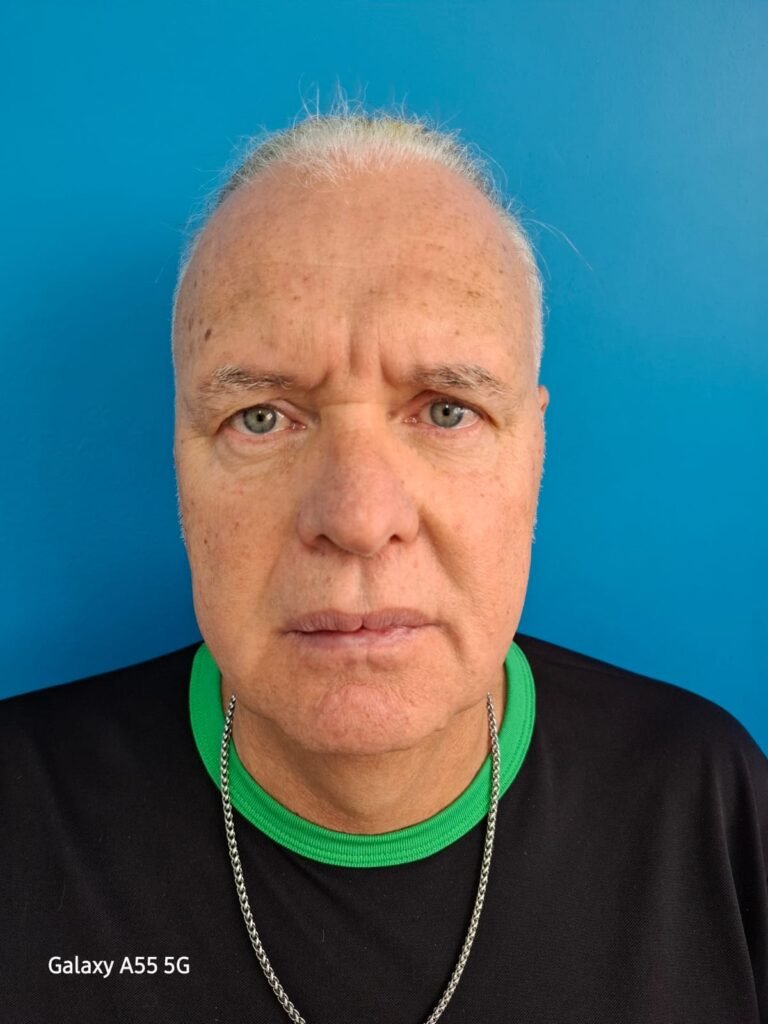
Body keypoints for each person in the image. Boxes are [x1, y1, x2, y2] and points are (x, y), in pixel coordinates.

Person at [1, 106, 766, 1024]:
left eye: (446, 410)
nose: (360, 522)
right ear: (179, 459)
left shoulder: (704, 798)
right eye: (260, 418)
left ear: (534, 456)